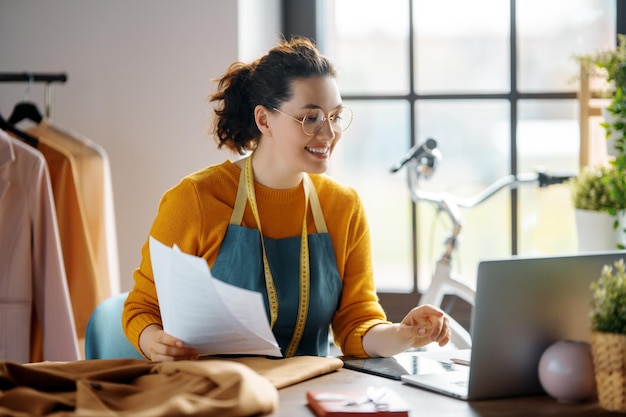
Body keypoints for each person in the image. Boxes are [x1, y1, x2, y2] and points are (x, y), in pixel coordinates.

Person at [122, 36, 450, 362]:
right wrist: (154, 342)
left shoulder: (343, 207)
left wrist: (403, 334)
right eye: (311, 118)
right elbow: (143, 308)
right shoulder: (196, 199)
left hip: (307, 395)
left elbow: (357, 323)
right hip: (214, 394)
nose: (329, 133)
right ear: (264, 120)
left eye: (334, 116)